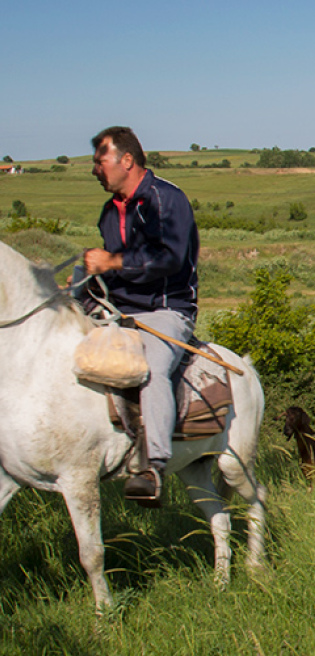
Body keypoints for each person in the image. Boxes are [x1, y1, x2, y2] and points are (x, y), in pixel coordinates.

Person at [86, 126, 199, 503]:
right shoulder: (109, 211)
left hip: (167, 310)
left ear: (126, 160)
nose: (94, 170)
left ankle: (153, 466)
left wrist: (111, 261)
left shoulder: (165, 199)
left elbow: (170, 259)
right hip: (121, 310)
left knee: (149, 366)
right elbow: (114, 270)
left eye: (99, 161)